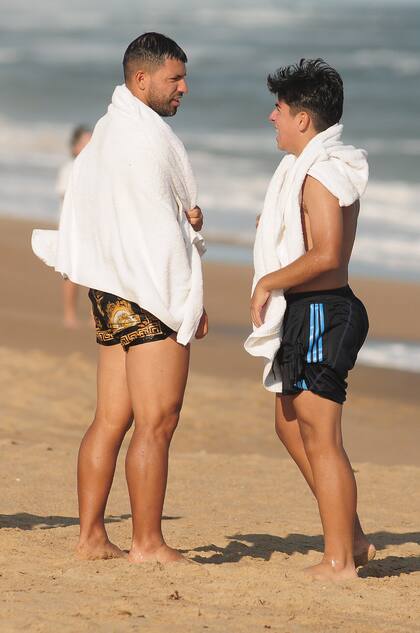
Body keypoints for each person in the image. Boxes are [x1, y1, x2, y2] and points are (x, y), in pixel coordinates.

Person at [32, 32, 208, 563]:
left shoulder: (106, 133)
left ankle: (90, 537)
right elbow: (159, 229)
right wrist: (188, 299)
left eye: (183, 78)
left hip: (110, 293)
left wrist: (184, 218)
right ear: (141, 79)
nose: (183, 88)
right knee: (158, 420)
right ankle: (147, 543)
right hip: (150, 292)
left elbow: (100, 208)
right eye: (174, 78)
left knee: (110, 420)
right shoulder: (150, 138)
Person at [244, 59, 374, 581]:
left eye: (278, 109)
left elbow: (326, 254)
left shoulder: (320, 173)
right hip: (308, 310)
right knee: (289, 425)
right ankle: (354, 536)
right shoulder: (307, 169)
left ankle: (340, 559)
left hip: (324, 309)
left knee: (322, 434)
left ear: (303, 119)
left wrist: (268, 280)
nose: (270, 117)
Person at [57, 125, 92, 328]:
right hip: (71, 227)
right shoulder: (68, 168)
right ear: (75, 147)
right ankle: (69, 314)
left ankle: (92, 316)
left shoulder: (97, 168)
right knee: (71, 273)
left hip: (92, 227)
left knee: (93, 273)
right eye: (85, 143)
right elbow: (65, 194)